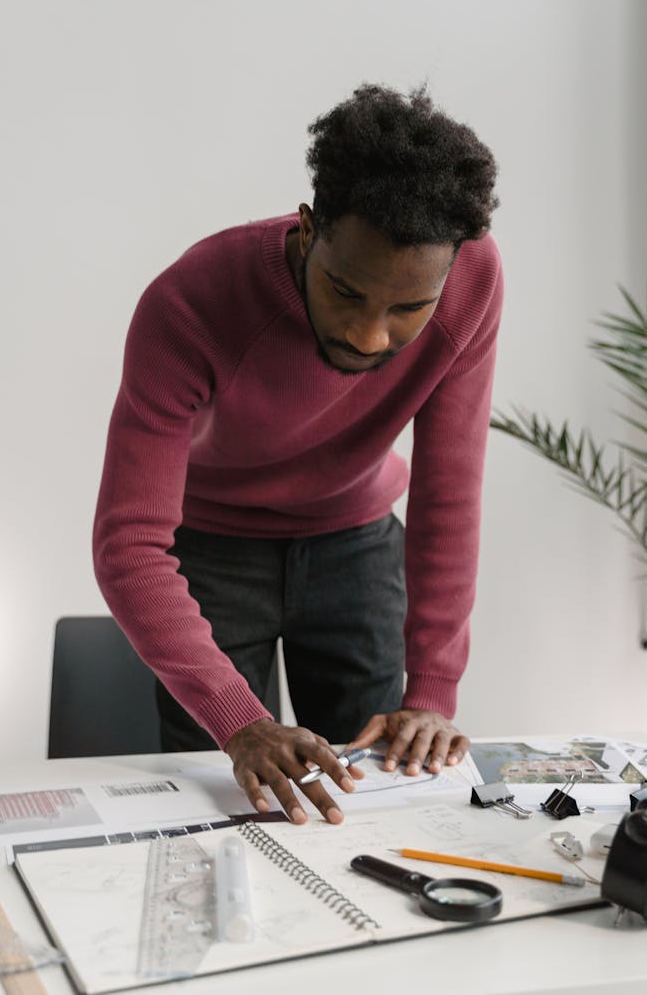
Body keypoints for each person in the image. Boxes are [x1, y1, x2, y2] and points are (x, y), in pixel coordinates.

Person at [93, 83, 502, 826]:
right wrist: (240, 723)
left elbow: (450, 489)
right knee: (226, 807)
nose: (371, 335)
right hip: (210, 556)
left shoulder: (473, 281)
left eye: (408, 308)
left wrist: (433, 692)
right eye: (347, 292)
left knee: (378, 802)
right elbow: (129, 542)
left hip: (358, 546)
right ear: (310, 230)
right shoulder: (190, 304)